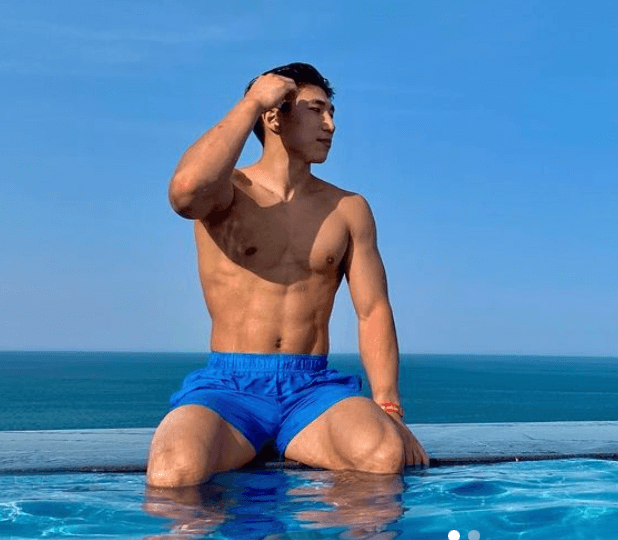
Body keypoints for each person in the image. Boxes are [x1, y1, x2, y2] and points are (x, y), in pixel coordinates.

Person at [146, 62, 429, 488]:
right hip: (229, 387)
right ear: (274, 117)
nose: (330, 125)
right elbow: (184, 191)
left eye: (332, 112)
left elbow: (372, 309)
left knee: (382, 455)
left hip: (312, 388)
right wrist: (251, 102)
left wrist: (389, 407)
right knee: (174, 471)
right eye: (316, 111)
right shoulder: (226, 193)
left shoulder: (348, 208)